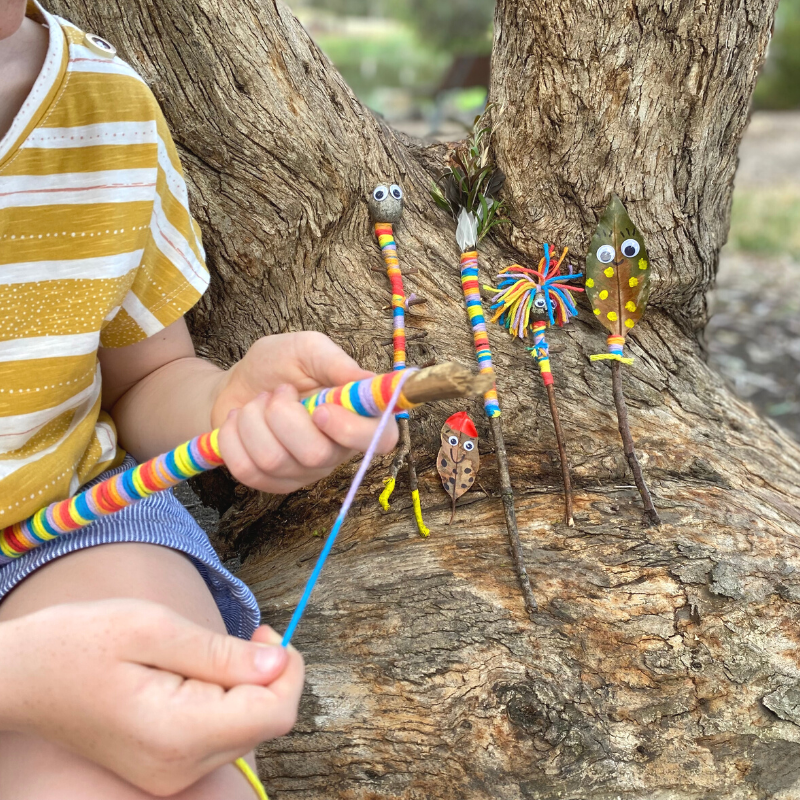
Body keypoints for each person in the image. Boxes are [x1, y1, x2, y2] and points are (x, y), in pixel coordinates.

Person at [0, 2, 398, 798]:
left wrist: (224, 409)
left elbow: (145, 379)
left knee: (174, 777)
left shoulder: (106, 114)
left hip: (52, 530)